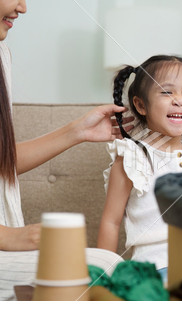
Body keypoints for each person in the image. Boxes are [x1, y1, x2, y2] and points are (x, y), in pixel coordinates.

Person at [0, 0, 132, 300]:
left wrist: (77, 131)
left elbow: (2, 161)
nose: (22, 7)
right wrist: (7, 236)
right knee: (105, 269)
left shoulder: (1, 56)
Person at [97, 55, 182, 279]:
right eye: (167, 92)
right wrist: (103, 278)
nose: (179, 100)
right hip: (155, 269)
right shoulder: (132, 157)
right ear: (141, 105)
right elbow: (111, 222)